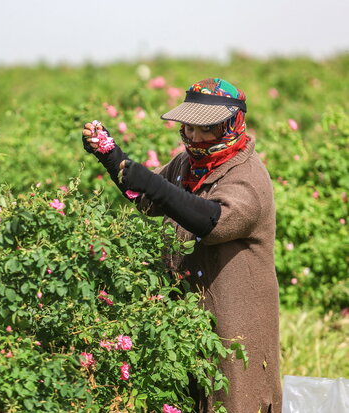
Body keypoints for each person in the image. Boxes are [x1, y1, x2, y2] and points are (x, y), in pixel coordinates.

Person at [82, 78, 282, 412]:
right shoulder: (187, 165)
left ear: (232, 125)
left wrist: (151, 183)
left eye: (205, 129)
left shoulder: (248, 177)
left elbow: (210, 221)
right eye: (188, 127)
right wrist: (109, 155)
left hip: (234, 328)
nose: (194, 137)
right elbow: (148, 199)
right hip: (187, 320)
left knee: (233, 400)